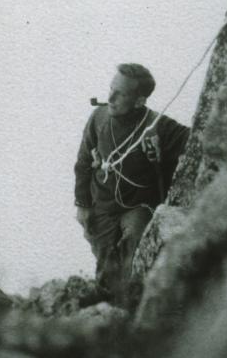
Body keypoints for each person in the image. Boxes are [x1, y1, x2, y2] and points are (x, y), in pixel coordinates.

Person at [74, 63, 189, 300]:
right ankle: (105, 303)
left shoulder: (159, 126)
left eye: (121, 94)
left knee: (133, 243)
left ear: (139, 101)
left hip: (137, 206)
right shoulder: (99, 117)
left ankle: (124, 303)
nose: (111, 98)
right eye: (111, 89)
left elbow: (196, 136)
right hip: (102, 204)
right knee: (105, 259)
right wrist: (82, 204)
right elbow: (84, 162)